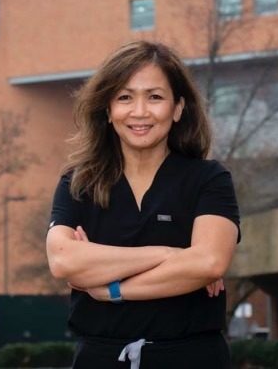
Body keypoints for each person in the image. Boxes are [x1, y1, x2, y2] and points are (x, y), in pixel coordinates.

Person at [46, 41, 241, 369]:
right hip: (100, 358)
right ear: (108, 110)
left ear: (178, 108)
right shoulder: (78, 183)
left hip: (193, 358)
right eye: (125, 97)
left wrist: (113, 289)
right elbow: (64, 260)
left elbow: (209, 263)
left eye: (154, 97)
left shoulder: (209, 179)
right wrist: (170, 255)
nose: (139, 112)